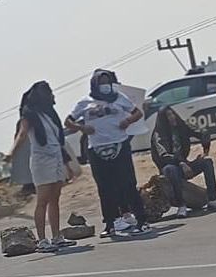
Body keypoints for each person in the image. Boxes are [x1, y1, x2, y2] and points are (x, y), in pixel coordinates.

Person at [67, 69, 152, 238]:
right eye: (101, 83)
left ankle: (142, 220)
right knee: (105, 188)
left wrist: (128, 120)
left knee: (128, 183)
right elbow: (68, 120)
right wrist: (82, 128)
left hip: (119, 144)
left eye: (107, 82)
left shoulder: (119, 98)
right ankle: (110, 223)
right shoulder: (85, 103)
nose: (104, 86)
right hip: (97, 148)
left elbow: (137, 112)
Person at [10, 82, 75, 252]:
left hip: (56, 159)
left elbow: (57, 141)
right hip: (41, 161)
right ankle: (42, 239)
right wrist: (12, 153)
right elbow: (22, 135)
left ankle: (56, 236)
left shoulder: (50, 115)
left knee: (55, 199)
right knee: (43, 200)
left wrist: (67, 164)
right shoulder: (29, 115)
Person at [149, 106, 216, 218]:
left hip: (184, 165)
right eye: (168, 116)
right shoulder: (158, 135)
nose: (172, 118)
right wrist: (181, 163)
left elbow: (202, 132)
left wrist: (205, 150)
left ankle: (212, 199)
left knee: (206, 162)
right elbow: (164, 156)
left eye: (172, 114)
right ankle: (181, 205)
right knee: (171, 169)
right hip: (169, 168)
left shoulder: (181, 127)